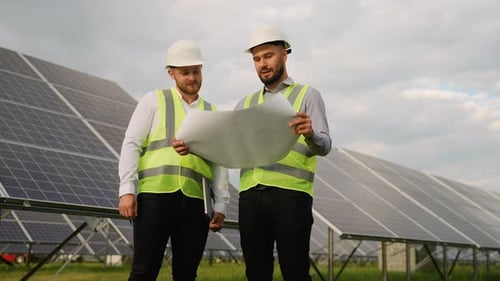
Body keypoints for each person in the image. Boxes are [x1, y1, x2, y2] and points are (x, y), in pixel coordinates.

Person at [118, 39, 230, 281]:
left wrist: (221, 204)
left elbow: (220, 161)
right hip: (154, 199)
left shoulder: (213, 113)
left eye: (196, 71)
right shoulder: (153, 100)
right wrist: (127, 190)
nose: (192, 78)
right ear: (171, 73)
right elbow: (131, 144)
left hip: (196, 204)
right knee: (144, 271)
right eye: (185, 72)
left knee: (186, 274)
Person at [234, 25, 332, 281]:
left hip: (292, 196)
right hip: (250, 197)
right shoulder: (244, 104)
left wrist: (310, 134)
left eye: (268, 56)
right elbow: (233, 149)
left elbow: (324, 146)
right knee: (256, 273)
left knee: (295, 272)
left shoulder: (307, 95)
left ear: (284, 53)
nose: (262, 64)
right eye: (256, 59)